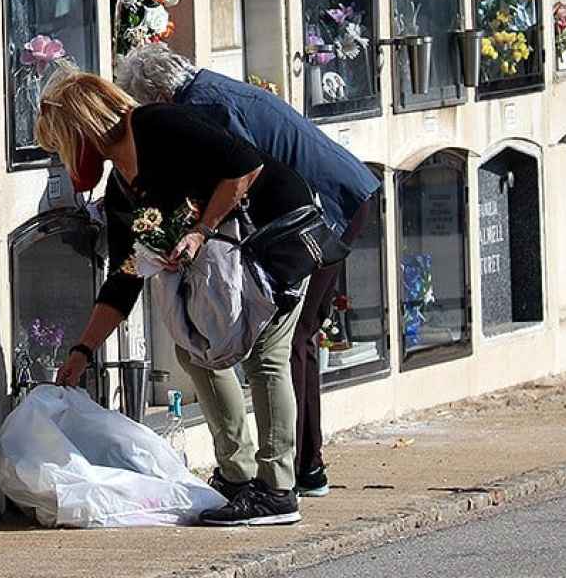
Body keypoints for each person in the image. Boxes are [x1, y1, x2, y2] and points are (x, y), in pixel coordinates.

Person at [37, 71, 317, 526]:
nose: (67, 162)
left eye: (61, 146)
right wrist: (82, 351)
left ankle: (278, 489)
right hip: (226, 266)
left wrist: (199, 229)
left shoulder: (157, 124)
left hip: (274, 239)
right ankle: (238, 477)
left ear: (79, 130)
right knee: (196, 354)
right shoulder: (122, 191)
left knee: (266, 357)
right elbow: (125, 275)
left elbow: (244, 165)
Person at [114, 43, 380, 498]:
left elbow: (240, 174)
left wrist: (197, 227)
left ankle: (296, 472)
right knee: (291, 338)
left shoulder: (202, 105)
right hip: (329, 199)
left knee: (287, 337)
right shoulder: (207, 90)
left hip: (332, 204)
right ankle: (297, 470)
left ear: (157, 94)